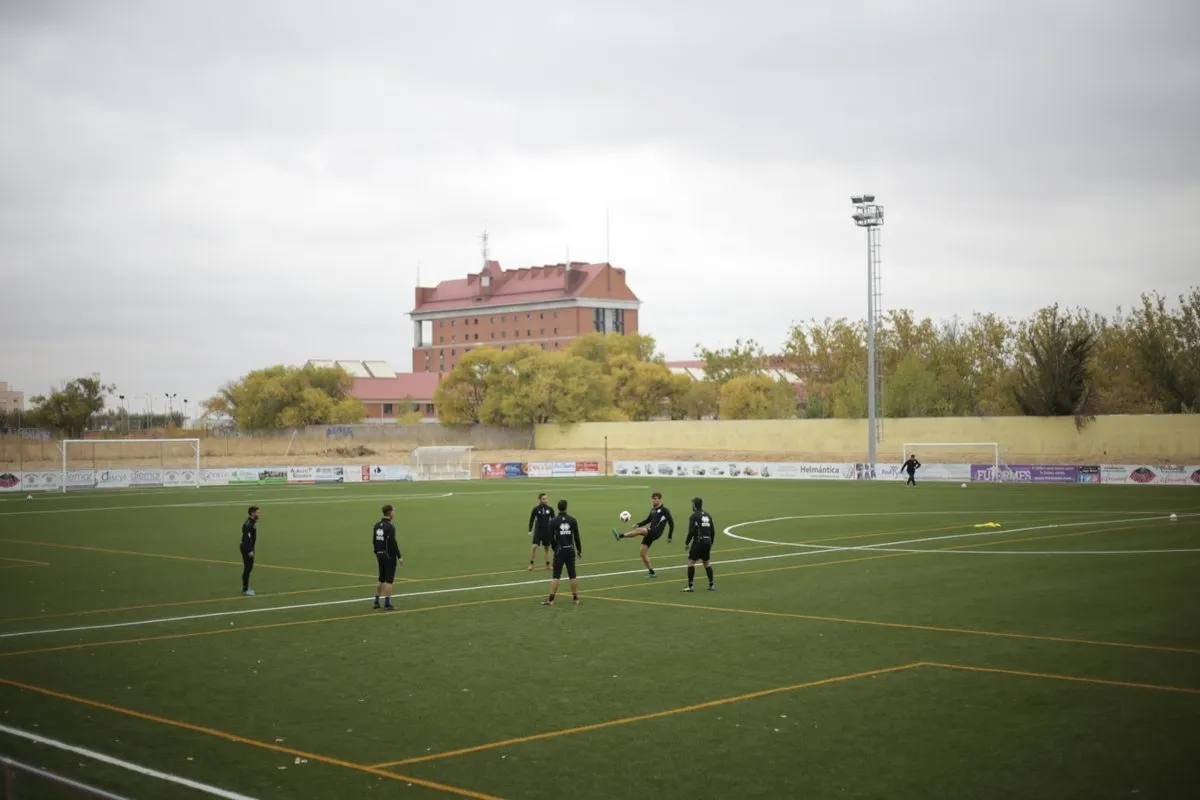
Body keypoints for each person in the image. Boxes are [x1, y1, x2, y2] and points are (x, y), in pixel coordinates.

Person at [613, 491, 674, 578]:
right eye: (653, 499)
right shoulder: (653, 510)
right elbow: (648, 520)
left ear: (659, 499)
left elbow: (671, 523)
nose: (653, 501)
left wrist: (670, 536)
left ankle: (620, 536)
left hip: (656, 532)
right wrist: (638, 524)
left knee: (640, 531)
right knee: (642, 553)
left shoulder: (664, 510)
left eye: (655, 499)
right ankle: (652, 572)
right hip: (651, 532)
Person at [542, 499, 582, 606]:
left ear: (558, 508)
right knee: (572, 575)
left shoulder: (553, 521)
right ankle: (576, 598)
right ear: (566, 507)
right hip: (570, 550)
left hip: (560, 552)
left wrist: (556, 548)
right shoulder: (572, 520)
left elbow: (551, 538)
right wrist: (579, 550)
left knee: (556, 576)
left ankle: (551, 599)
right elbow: (577, 537)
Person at [372, 504, 403, 610]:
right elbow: (393, 543)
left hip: (379, 554)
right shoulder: (390, 526)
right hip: (389, 555)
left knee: (381, 578)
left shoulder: (376, 525)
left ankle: (376, 601)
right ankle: (387, 604)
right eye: (393, 511)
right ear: (389, 513)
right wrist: (399, 556)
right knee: (389, 581)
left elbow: (374, 541)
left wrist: (377, 553)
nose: (394, 513)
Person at [682, 497, 716, 592]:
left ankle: (690, 586)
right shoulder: (708, 515)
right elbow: (712, 531)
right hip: (707, 541)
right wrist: (710, 542)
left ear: (694, 506)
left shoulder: (694, 516)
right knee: (706, 563)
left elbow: (691, 531)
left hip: (698, 541)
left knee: (691, 562)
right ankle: (711, 584)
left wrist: (687, 543)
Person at [527, 492, 555, 571]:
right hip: (538, 531)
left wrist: (555, 530)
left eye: (546, 498)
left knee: (547, 548)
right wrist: (530, 530)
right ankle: (531, 564)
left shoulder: (550, 509)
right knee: (534, 547)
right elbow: (531, 520)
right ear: (540, 500)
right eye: (544, 499)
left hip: (547, 531)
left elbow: (554, 520)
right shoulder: (536, 509)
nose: (546, 500)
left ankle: (548, 565)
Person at [240, 506, 260, 596]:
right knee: (248, 568)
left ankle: (245, 587)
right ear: (252, 513)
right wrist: (250, 550)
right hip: (246, 548)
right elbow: (246, 538)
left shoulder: (252, 522)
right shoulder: (249, 524)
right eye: (257, 512)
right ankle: (245, 589)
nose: (259, 514)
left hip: (248, 547)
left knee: (248, 568)